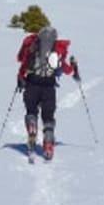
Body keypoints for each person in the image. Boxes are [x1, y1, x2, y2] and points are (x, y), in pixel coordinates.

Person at [16, 25, 78, 160]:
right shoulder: (57, 51)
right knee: (48, 117)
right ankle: (48, 144)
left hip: (32, 84)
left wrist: (20, 78)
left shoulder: (32, 47)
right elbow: (66, 69)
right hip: (49, 87)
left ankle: (32, 127)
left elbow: (23, 63)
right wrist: (74, 67)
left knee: (31, 111)